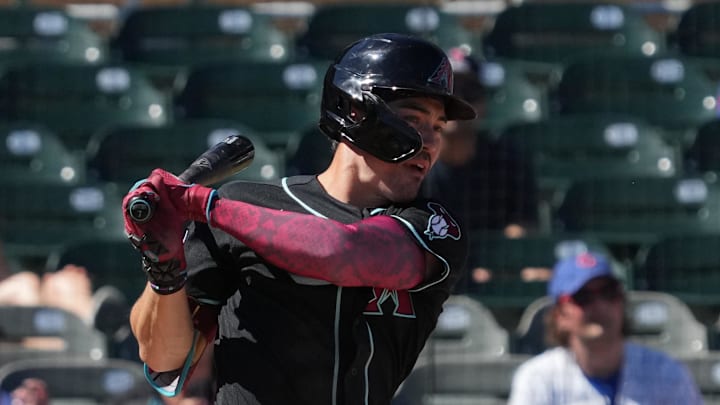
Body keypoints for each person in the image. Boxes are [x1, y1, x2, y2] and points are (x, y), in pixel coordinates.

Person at [122, 33, 476, 404]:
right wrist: (162, 267)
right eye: (415, 120)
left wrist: (201, 204)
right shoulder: (242, 205)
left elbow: (342, 252)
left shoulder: (434, 226)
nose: (431, 142)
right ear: (355, 111)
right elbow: (164, 359)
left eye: (438, 127)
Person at [508, 252, 703, 405]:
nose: (600, 305)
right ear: (559, 316)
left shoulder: (665, 372)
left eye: (608, 293)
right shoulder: (539, 378)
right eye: (583, 297)